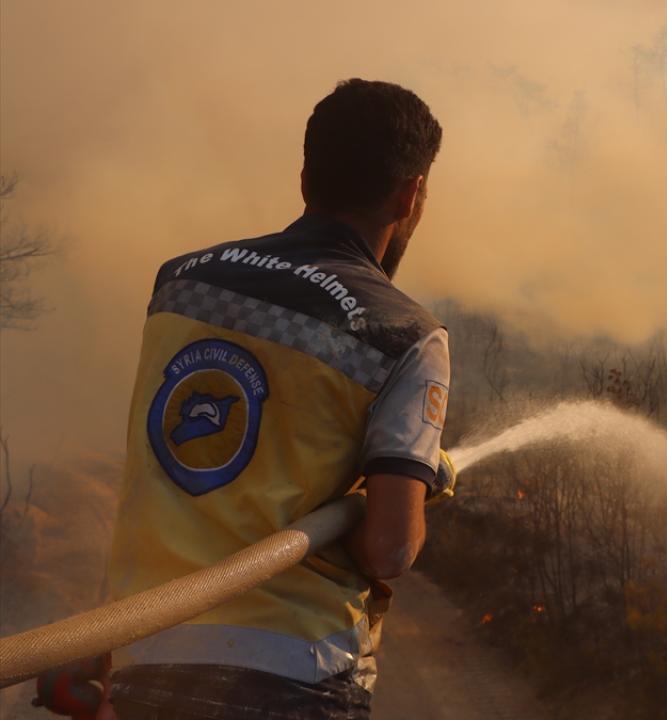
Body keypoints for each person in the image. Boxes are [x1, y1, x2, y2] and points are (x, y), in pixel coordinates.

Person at [99, 79, 450, 720]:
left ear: (304, 177)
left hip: (145, 655)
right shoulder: (404, 331)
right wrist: (417, 478)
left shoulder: (180, 282)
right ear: (411, 193)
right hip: (296, 675)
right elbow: (390, 551)